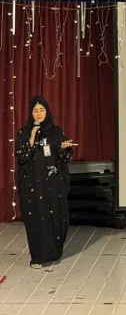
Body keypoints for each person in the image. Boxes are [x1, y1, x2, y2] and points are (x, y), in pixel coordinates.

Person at [15, 96, 74, 269]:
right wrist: (32, 137)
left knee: (57, 217)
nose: (38, 114)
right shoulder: (24, 132)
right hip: (33, 185)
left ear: (47, 111)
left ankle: (54, 252)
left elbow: (63, 158)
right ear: (31, 113)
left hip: (54, 183)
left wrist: (65, 149)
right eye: (35, 111)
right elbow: (22, 157)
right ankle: (38, 257)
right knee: (36, 219)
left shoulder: (56, 132)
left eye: (42, 110)